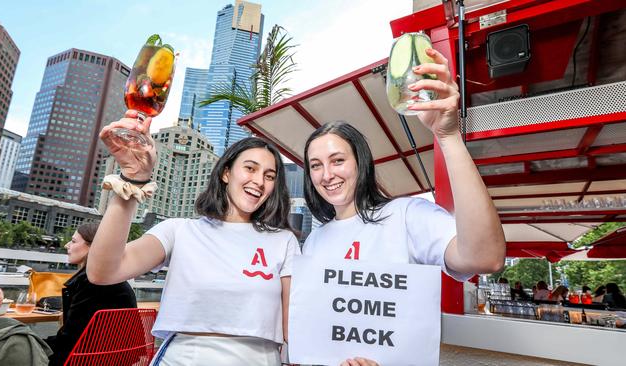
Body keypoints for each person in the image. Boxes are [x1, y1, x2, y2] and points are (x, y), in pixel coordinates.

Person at [301, 47, 505, 366]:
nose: (326, 175)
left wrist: (448, 136)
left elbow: (485, 258)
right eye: (315, 165)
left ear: (361, 163)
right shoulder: (314, 242)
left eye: (337, 160)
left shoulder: (407, 215)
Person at [87, 117, 299, 366]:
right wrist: (133, 178)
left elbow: (292, 326)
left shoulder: (283, 241)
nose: (259, 181)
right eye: (250, 168)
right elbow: (103, 272)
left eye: (270, 175)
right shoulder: (179, 231)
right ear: (226, 173)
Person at [44, 223, 137, 366]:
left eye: (74, 241)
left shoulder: (90, 283)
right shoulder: (117, 282)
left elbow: (69, 342)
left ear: (93, 247)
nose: (67, 245)